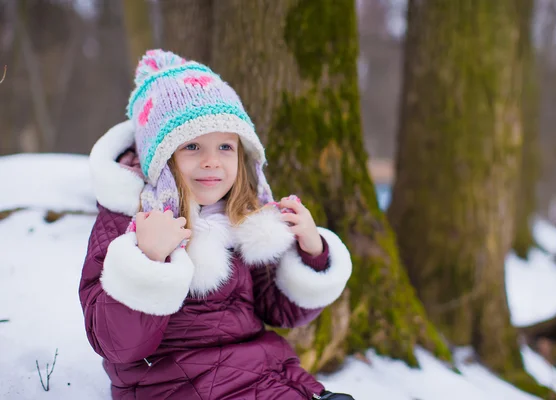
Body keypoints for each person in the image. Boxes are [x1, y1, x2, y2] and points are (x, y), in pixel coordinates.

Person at [79, 49, 355, 400]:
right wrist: (148, 260)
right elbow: (116, 344)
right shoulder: (130, 224)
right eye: (192, 146)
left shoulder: (241, 216)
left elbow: (279, 310)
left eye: (226, 146)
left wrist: (311, 252)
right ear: (161, 159)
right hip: (176, 387)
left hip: (270, 377)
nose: (212, 162)